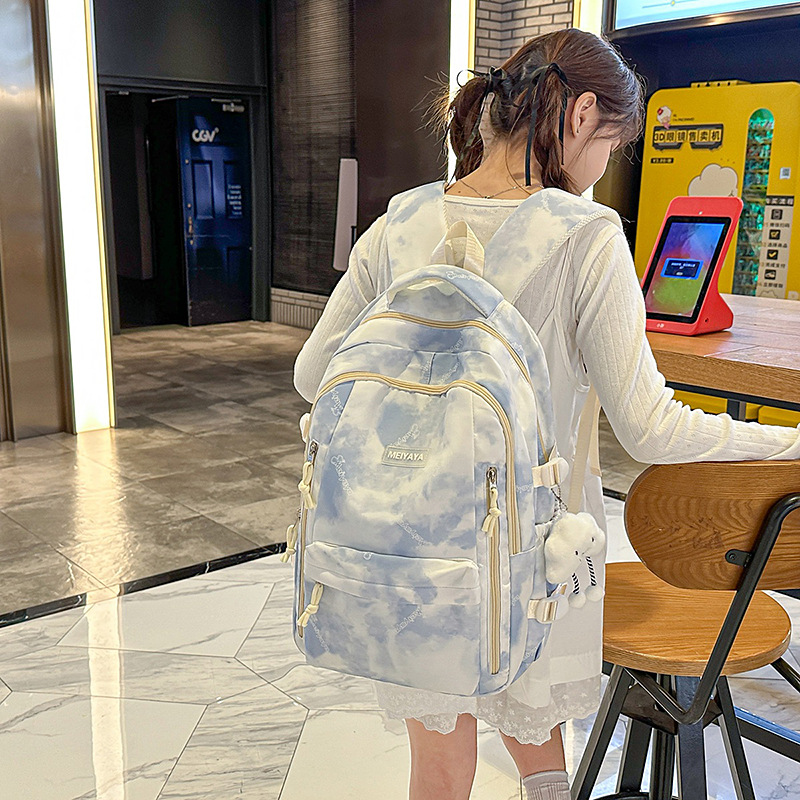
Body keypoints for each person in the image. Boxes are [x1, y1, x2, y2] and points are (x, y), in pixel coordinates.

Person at [292, 27, 800, 800]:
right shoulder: (584, 235)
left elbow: (312, 375)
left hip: (405, 543)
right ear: (583, 113)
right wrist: (787, 440)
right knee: (540, 750)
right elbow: (651, 428)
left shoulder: (401, 220)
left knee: (437, 768)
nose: (604, 166)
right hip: (538, 545)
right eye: (613, 146)